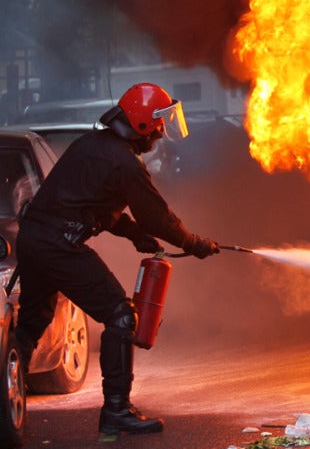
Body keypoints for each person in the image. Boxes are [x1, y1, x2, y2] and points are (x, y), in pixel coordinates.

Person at [14, 83, 220, 436]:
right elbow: (158, 217)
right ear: (141, 123)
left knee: (32, 323)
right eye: (158, 124)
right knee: (121, 315)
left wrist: (133, 233)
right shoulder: (124, 162)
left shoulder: (93, 146)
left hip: (35, 240)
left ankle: (4, 400)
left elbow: (91, 206)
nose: (160, 133)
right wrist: (193, 242)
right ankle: (116, 410)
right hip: (58, 246)